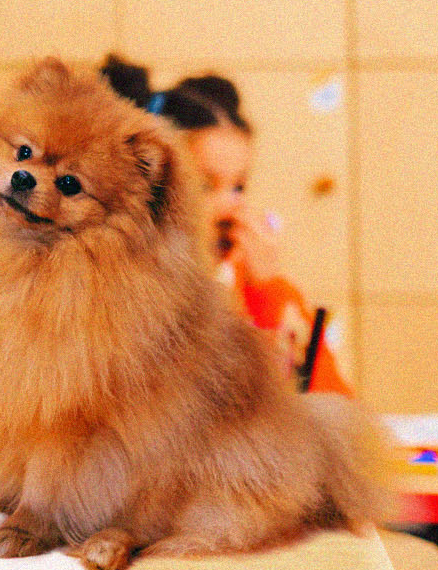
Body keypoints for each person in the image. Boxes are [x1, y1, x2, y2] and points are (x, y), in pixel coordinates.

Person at [101, 56, 351, 396]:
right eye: (206, 185)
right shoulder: (124, 297)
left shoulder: (256, 289)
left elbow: (335, 412)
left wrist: (267, 293)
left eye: (238, 187)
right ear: (151, 189)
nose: (231, 206)